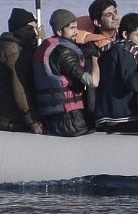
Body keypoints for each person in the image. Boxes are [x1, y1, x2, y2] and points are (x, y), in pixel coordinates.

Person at [33, 9, 100, 137]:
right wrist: (94, 57)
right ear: (59, 31)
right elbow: (93, 81)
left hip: (51, 118)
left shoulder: (47, 47)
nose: (76, 32)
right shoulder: (64, 52)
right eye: (72, 28)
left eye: (76, 28)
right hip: (70, 122)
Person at [93, 13, 138, 131]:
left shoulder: (110, 49)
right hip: (121, 117)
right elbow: (134, 84)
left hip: (107, 113)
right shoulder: (125, 50)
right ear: (125, 34)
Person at [0, 7, 42, 133]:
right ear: (18, 29)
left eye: (35, 28)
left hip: (4, 117)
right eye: (30, 28)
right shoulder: (11, 50)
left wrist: (39, 44)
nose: (35, 32)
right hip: (9, 119)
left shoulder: (15, 47)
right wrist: (31, 119)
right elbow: (20, 87)